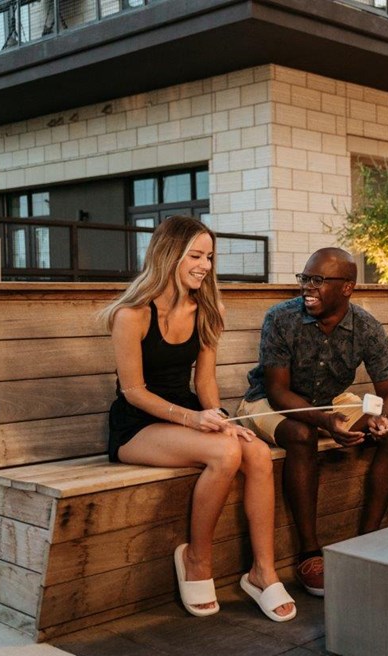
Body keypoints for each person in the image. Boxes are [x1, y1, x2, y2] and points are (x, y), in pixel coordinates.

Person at [104, 216, 295, 622]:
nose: (205, 265)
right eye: (195, 255)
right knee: (226, 455)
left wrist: (222, 418)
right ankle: (196, 558)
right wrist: (195, 420)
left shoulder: (208, 308)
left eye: (209, 256)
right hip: (137, 425)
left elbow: (205, 382)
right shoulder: (132, 314)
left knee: (256, 452)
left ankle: (263, 572)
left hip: (189, 415)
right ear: (168, 254)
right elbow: (134, 391)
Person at [236, 247, 388, 597]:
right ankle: (309, 553)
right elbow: (278, 391)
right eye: (305, 278)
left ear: (346, 287)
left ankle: (368, 539)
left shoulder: (367, 328)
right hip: (266, 403)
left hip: (329, 403)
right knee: (302, 434)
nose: (307, 287)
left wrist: (383, 420)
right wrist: (327, 422)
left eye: (318, 280)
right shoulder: (281, 319)